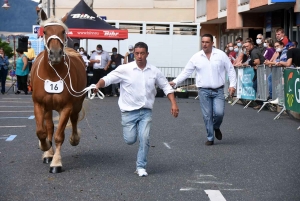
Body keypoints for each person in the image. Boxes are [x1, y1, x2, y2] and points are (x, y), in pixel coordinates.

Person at [94, 42, 179, 177]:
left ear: (147, 54)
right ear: (133, 53)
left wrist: (173, 103)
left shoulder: (154, 71)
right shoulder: (125, 69)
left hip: (145, 111)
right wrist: (98, 85)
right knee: (130, 140)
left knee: (144, 138)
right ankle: (133, 138)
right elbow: (108, 78)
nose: (139, 56)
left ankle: (141, 166)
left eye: (142, 53)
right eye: (137, 53)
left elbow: (166, 87)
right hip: (128, 112)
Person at [169, 34, 236, 146]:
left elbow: (230, 69)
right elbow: (186, 72)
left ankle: (216, 127)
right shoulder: (196, 57)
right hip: (203, 90)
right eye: (203, 42)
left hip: (218, 90)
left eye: (207, 42)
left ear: (212, 43)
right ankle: (210, 137)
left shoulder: (220, 55)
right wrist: (175, 81)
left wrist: (232, 85)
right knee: (207, 115)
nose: (204, 44)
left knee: (219, 113)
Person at [241, 41, 265, 109]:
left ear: (251, 45)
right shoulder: (252, 52)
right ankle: (260, 102)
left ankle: (261, 102)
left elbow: (257, 62)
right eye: (245, 47)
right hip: (258, 71)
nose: (246, 48)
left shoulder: (254, 52)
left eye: (247, 46)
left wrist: (251, 63)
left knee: (256, 85)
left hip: (261, 71)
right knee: (255, 84)